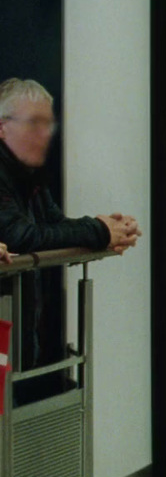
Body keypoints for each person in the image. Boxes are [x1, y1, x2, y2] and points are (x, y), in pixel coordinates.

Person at [0, 78, 140, 402]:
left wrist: (110, 229)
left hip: (17, 326)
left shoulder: (28, 175)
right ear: (3, 128)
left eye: (48, 123)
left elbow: (57, 226)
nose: (45, 133)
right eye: (34, 122)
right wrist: (98, 231)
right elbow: (21, 236)